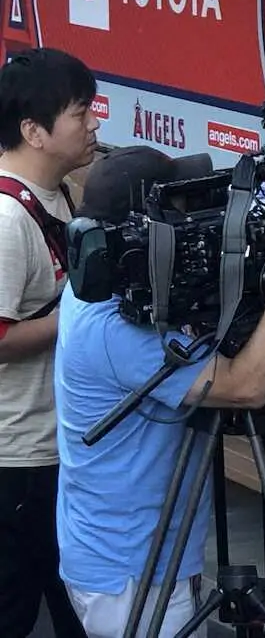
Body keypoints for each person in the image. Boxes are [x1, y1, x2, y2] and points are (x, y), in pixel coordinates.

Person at [54, 145, 265, 638]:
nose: (195, 227)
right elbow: (245, 387)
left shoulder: (100, 289)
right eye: (181, 216)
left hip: (132, 553)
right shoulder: (117, 330)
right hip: (133, 574)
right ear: (140, 236)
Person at [0, 48, 98, 638]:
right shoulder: (6, 221)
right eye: (80, 113)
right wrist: (82, 317)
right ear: (34, 131)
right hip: (17, 461)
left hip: (60, 450)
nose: (93, 123)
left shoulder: (58, 193)